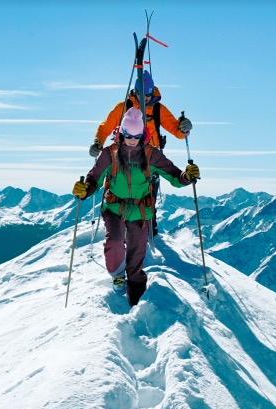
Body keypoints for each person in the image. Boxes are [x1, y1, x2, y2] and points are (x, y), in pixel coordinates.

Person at [73, 108, 200, 305]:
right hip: (114, 208)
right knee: (115, 241)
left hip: (141, 211)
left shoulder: (151, 155)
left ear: (142, 134)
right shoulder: (110, 154)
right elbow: (94, 179)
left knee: (137, 253)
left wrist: (187, 177)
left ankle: (136, 296)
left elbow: (174, 176)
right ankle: (117, 275)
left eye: (137, 135)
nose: (132, 139)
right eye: (128, 135)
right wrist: (85, 189)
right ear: (122, 132)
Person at [89, 70, 192, 157]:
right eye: (142, 94)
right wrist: (98, 143)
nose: (146, 98)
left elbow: (177, 132)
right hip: (125, 156)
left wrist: (184, 129)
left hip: (150, 157)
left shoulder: (158, 109)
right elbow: (105, 128)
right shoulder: (123, 107)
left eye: (148, 94)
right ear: (136, 92)